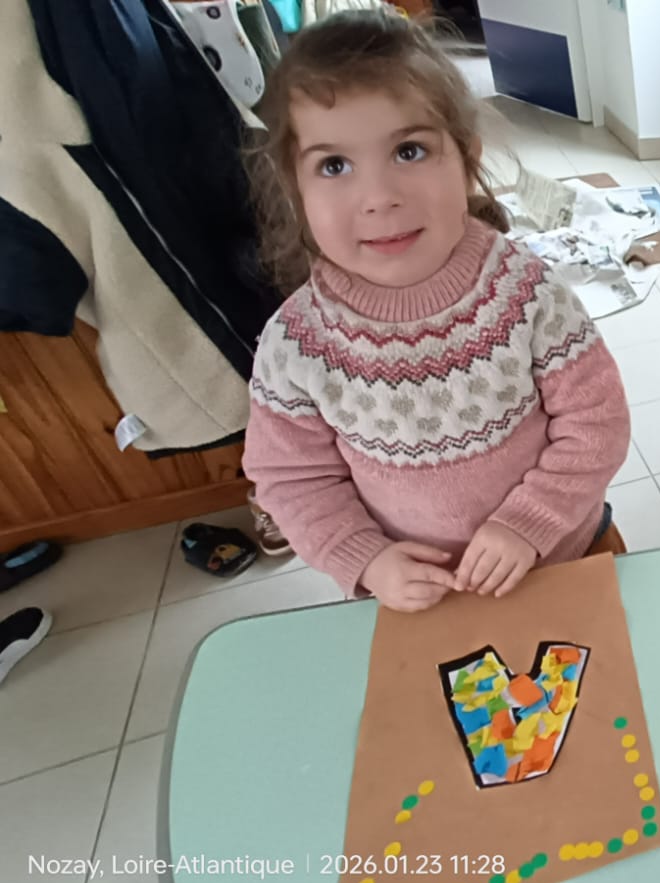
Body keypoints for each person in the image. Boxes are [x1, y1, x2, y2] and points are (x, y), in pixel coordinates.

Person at [242, 10, 629, 613]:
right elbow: (291, 479)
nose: (379, 198)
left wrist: (529, 522)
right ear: (296, 187)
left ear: (467, 159)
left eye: (410, 150)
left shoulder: (528, 293)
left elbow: (596, 423)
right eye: (334, 165)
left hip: (567, 558)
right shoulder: (295, 345)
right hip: (421, 601)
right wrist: (364, 558)